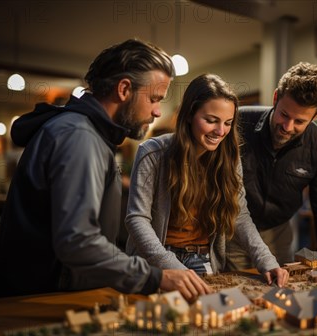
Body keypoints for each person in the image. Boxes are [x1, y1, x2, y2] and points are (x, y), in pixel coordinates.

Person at [0, 39, 212, 301]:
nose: (157, 111)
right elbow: (77, 241)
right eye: (154, 98)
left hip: (49, 286)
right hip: (38, 296)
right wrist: (156, 276)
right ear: (124, 89)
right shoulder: (80, 136)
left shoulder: (84, 131)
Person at [124, 74, 289, 287]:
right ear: (190, 114)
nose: (220, 132)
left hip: (203, 260)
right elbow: (136, 219)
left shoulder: (230, 157)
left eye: (227, 123)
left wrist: (266, 260)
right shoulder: (153, 153)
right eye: (211, 121)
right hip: (155, 259)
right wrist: (174, 268)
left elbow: (240, 215)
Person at [226, 62, 317, 270]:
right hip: (233, 230)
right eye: (284, 115)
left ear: (315, 117)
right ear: (276, 98)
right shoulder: (237, 122)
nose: (287, 128)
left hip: (278, 233)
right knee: (234, 295)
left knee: (279, 295)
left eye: (299, 121)